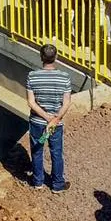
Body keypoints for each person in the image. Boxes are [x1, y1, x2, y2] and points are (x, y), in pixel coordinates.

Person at [26, 44, 72, 193]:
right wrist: (54, 119)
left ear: (41, 58)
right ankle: (58, 184)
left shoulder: (32, 76)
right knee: (56, 152)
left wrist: (45, 116)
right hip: (55, 124)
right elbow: (66, 103)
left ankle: (38, 181)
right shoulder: (65, 77)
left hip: (37, 122)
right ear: (56, 57)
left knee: (37, 150)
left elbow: (31, 102)